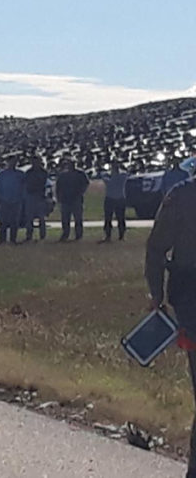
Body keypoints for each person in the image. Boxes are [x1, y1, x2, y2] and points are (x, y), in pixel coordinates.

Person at [144, 177, 196, 478]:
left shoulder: (181, 195)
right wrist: (156, 292)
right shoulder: (183, 195)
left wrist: (156, 293)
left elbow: (156, 248)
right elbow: (156, 248)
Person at [55, 159, 90, 242]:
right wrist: (59, 197)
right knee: (65, 219)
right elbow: (58, 186)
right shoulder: (63, 175)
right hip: (65, 199)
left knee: (78, 218)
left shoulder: (80, 173)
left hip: (76, 199)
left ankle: (78, 235)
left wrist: (81, 192)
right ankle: (65, 234)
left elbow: (86, 183)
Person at [0, 158, 26, 246]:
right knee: (3, 222)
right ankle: (2, 240)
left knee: (14, 222)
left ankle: (13, 239)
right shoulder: (2, 175)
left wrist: (21, 198)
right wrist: (1, 198)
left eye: (14, 162)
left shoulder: (20, 174)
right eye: (11, 162)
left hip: (16, 201)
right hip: (5, 201)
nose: (13, 163)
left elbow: (24, 187)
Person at [101, 162, 128, 242]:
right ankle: (121, 236)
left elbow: (103, 175)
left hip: (110, 199)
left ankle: (108, 235)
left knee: (108, 218)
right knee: (120, 218)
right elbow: (127, 173)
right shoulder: (123, 176)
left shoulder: (108, 178)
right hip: (120, 199)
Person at [24, 156, 49, 241]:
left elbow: (42, 183)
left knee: (41, 217)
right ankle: (29, 235)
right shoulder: (28, 172)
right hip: (30, 196)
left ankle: (42, 235)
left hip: (40, 197)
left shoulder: (43, 172)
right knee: (29, 218)